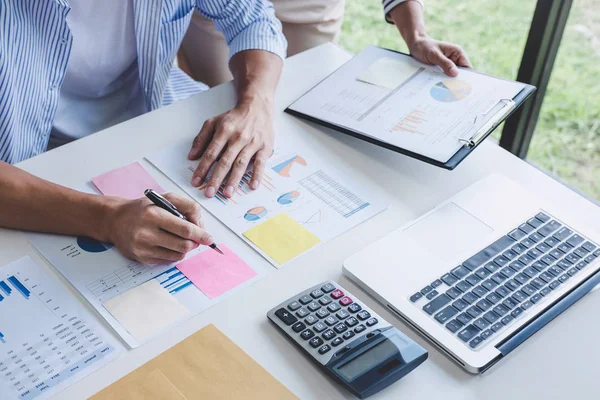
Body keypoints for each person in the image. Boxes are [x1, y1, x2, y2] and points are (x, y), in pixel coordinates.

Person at [0, 0, 286, 264]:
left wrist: (257, 103)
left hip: (151, 126)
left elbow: (253, 19)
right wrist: (106, 219)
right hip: (25, 162)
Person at [178, 0, 471, 88]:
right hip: (221, 13)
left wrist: (417, 36)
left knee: (303, 102)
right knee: (225, 103)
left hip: (310, 12)